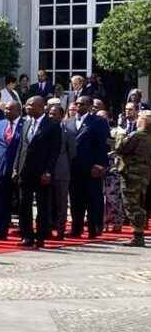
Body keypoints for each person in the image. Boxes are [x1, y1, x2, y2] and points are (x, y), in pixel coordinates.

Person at [13, 96, 62, 249]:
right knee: (24, 205)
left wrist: (48, 172)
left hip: (41, 172)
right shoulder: (26, 123)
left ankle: (40, 236)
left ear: (41, 107)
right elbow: (20, 147)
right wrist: (15, 167)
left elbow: (55, 152)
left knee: (42, 206)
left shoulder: (52, 125)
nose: (26, 107)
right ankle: (27, 236)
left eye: (30, 105)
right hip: (24, 171)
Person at [69, 96, 110, 238]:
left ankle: (94, 228)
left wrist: (100, 165)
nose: (79, 106)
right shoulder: (69, 122)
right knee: (75, 200)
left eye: (82, 104)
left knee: (93, 199)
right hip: (73, 168)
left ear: (90, 106)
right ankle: (76, 228)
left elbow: (104, 145)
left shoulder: (98, 122)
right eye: (77, 103)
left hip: (92, 167)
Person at [116, 110, 151, 246]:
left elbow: (120, 147)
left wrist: (120, 133)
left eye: (139, 118)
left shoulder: (137, 135)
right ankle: (138, 233)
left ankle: (138, 235)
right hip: (144, 174)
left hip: (132, 174)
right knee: (139, 202)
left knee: (131, 203)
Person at [0, 100, 23, 240]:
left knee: (22, 201)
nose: (6, 111)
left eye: (10, 109)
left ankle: (24, 229)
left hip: (20, 169)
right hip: (1, 169)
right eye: (5, 109)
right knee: (0, 201)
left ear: (18, 111)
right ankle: (0, 230)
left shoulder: (25, 125)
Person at [49, 105, 75, 240]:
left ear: (61, 115)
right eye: (50, 114)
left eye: (54, 114)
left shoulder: (67, 131)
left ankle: (60, 230)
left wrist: (65, 167)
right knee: (48, 202)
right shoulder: (46, 129)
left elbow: (72, 153)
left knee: (61, 202)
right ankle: (48, 228)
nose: (51, 116)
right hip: (47, 171)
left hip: (62, 171)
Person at [102, 110, 125, 233]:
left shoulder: (118, 131)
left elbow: (119, 148)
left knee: (113, 197)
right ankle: (103, 221)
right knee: (101, 197)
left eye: (103, 116)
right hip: (100, 167)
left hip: (113, 168)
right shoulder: (95, 130)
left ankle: (117, 222)